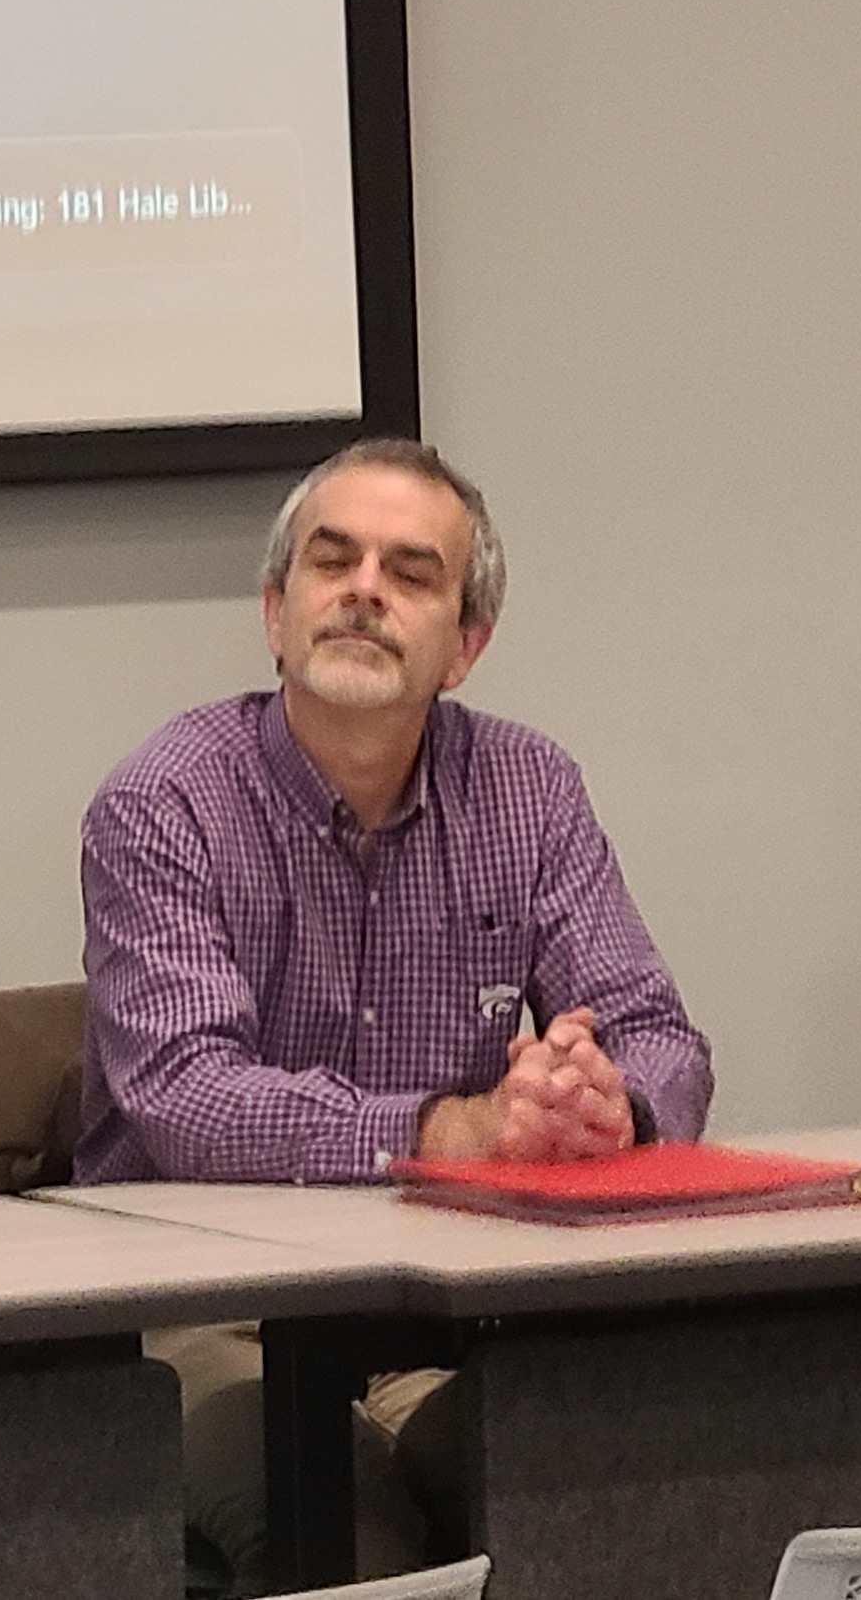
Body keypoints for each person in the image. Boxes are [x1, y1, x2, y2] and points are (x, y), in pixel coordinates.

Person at [78, 436, 712, 1589]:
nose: (365, 590)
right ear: (275, 613)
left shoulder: (529, 789)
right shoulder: (164, 799)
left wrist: (607, 1106)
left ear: (466, 647)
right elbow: (185, 1100)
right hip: (207, 1325)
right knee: (351, 1537)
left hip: (445, 1315)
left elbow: (659, 1037)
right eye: (333, 563)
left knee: (611, 1480)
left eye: (412, 574)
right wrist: (450, 1133)